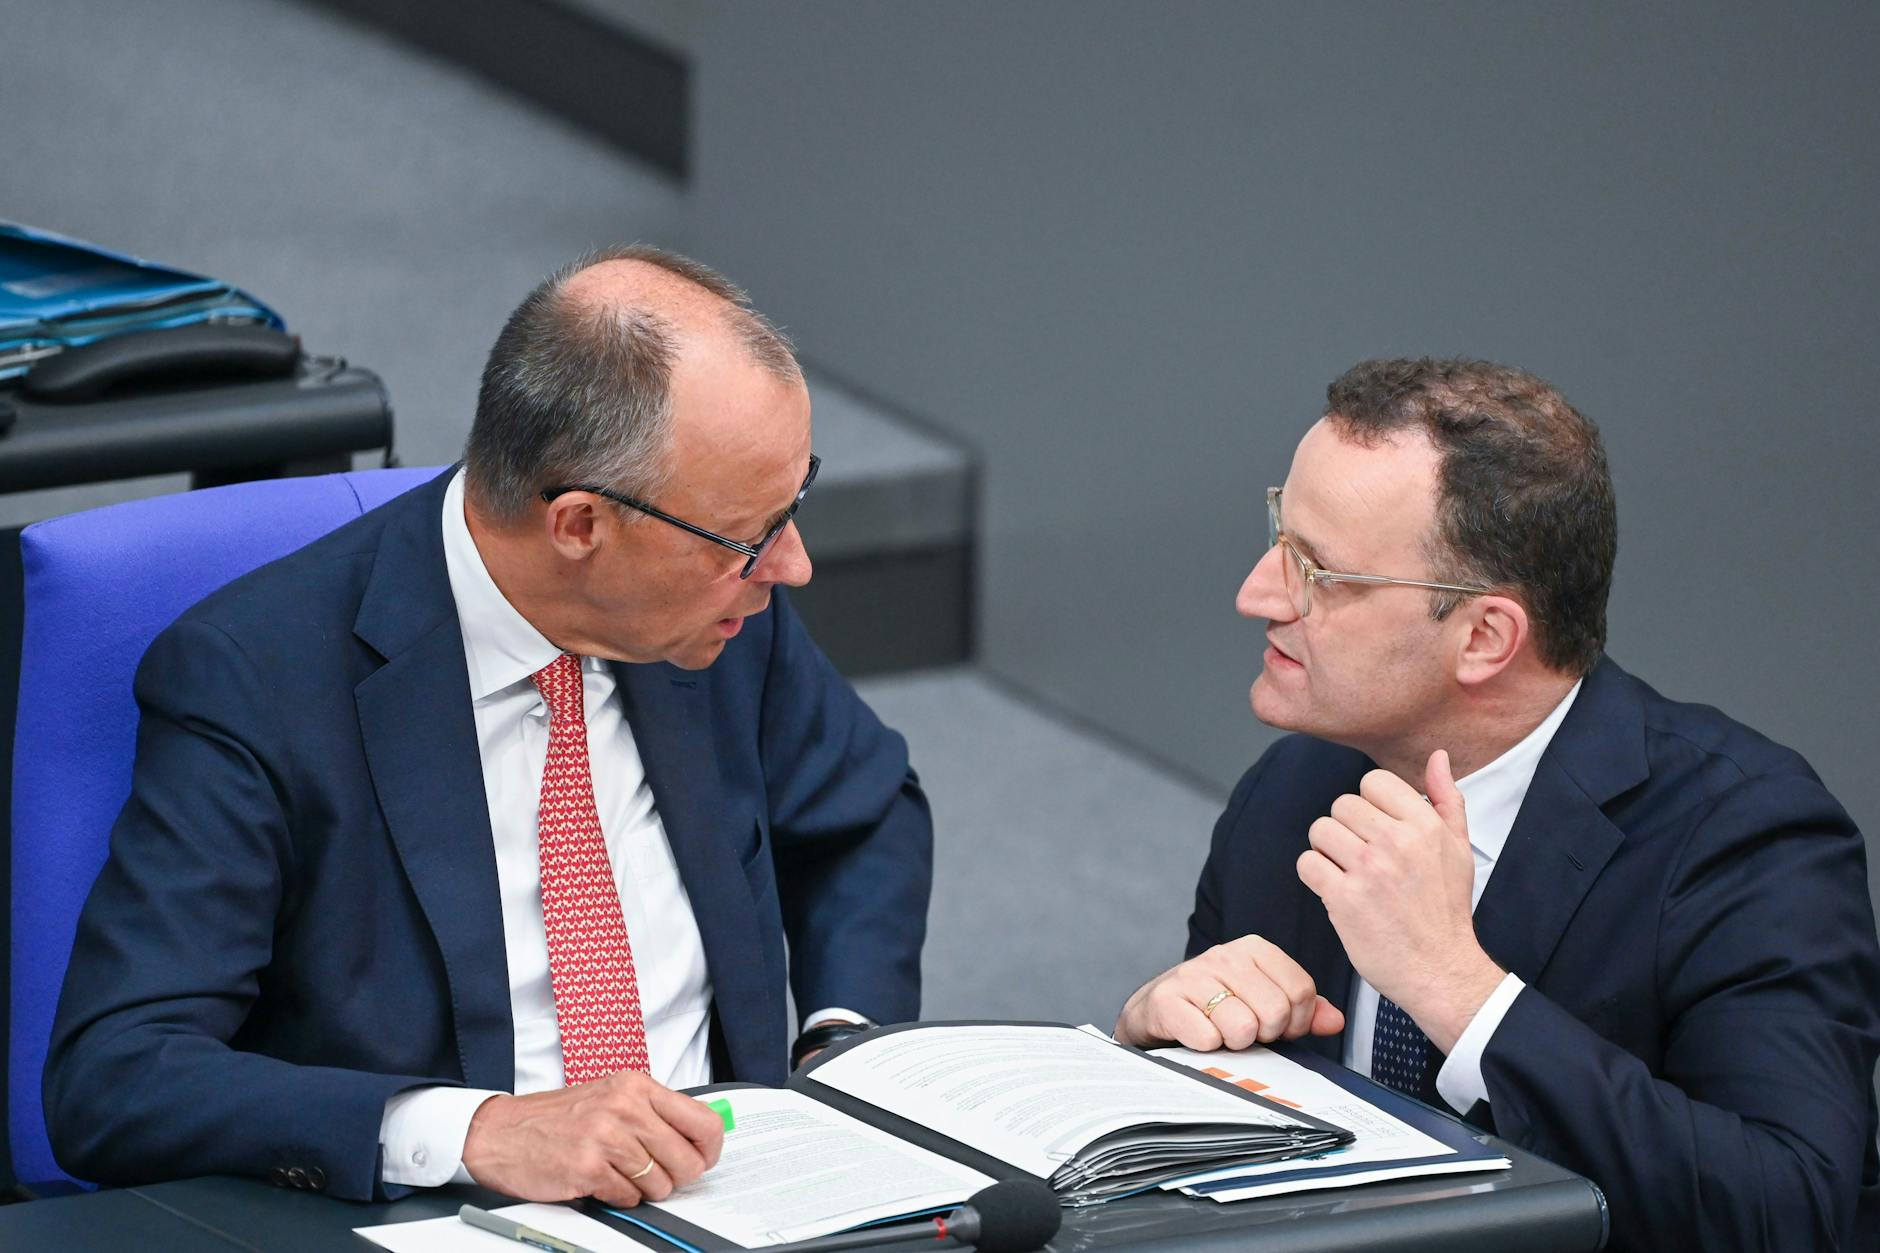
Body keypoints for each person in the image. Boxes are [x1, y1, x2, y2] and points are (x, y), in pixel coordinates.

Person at [45, 247, 933, 1207]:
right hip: (455, 1215)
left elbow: (866, 811)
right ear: (581, 526)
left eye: (789, 508)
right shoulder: (255, 679)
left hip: (734, 1189)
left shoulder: (712, 604)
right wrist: (475, 1130)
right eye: (755, 536)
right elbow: (118, 1075)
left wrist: (844, 1043)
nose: (791, 565)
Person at [1114, 358, 1880, 1251]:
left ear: (1483, 637)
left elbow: (1784, 1211)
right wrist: (1158, 1046)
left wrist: (1461, 993)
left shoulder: (1749, 838)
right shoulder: (1290, 794)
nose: (1258, 594)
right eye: (1280, 535)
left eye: (1317, 572)